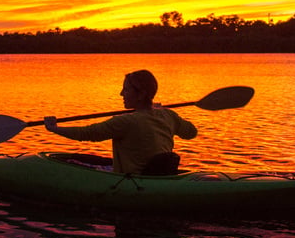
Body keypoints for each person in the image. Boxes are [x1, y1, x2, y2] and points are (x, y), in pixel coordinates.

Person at [43, 70, 197, 174]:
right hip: (159, 174)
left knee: (71, 162)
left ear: (141, 94)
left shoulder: (125, 121)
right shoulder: (168, 115)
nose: (121, 93)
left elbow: (87, 133)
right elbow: (191, 132)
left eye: (126, 89)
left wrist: (55, 128)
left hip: (133, 178)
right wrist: (161, 111)